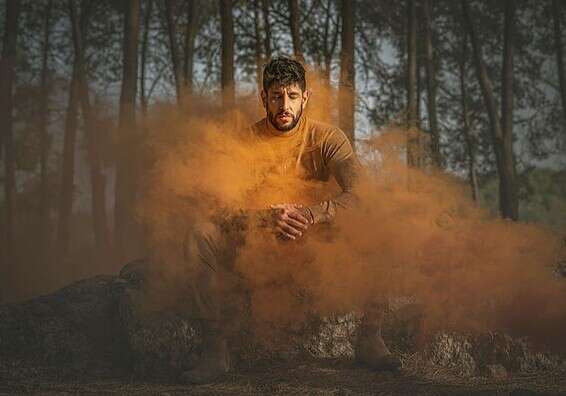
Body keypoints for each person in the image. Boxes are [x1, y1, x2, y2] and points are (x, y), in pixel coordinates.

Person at [181, 57, 400, 384]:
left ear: (305, 98)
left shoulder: (328, 138)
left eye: (293, 96)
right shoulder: (244, 142)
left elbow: (361, 193)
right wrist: (264, 219)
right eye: (277, 96)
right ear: (264, 98)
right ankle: (215, 351)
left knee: (378, 223)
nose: (285, 104)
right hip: (257, 240)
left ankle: (370, 337)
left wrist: (313, 213)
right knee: (200, 233)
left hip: (315, 238)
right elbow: (218, 208)